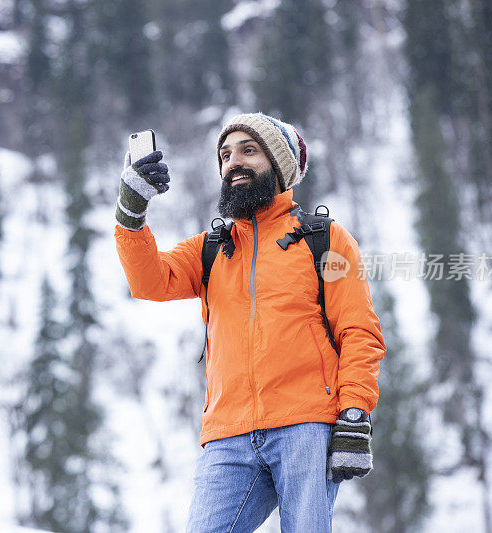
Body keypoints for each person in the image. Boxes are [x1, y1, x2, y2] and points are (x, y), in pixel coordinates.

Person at [114, 112, 386, 532]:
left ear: (278, 164)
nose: (232, 163)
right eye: (225, 155)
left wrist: (354, 413)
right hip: (228, 434)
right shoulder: (210, 248)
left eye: (248, 150)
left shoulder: (325, 240)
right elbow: (149, 280)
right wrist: (131, 213)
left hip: (306, 426)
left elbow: (359, 332)